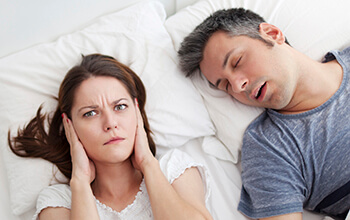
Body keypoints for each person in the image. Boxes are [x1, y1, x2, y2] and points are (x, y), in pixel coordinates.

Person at [178, 7, 350, 220]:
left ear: (272, 34)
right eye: (225, 86)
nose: (239, 85)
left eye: (237, 62)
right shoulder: (270, 147)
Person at [8, 54, 212, 220]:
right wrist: (79, 181)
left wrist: (148, 163)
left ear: (137, 112)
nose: (110, 123)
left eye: (120, 107)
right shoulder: (59, 202)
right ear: (69, 126)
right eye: (90, 113)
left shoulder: (174, 170)